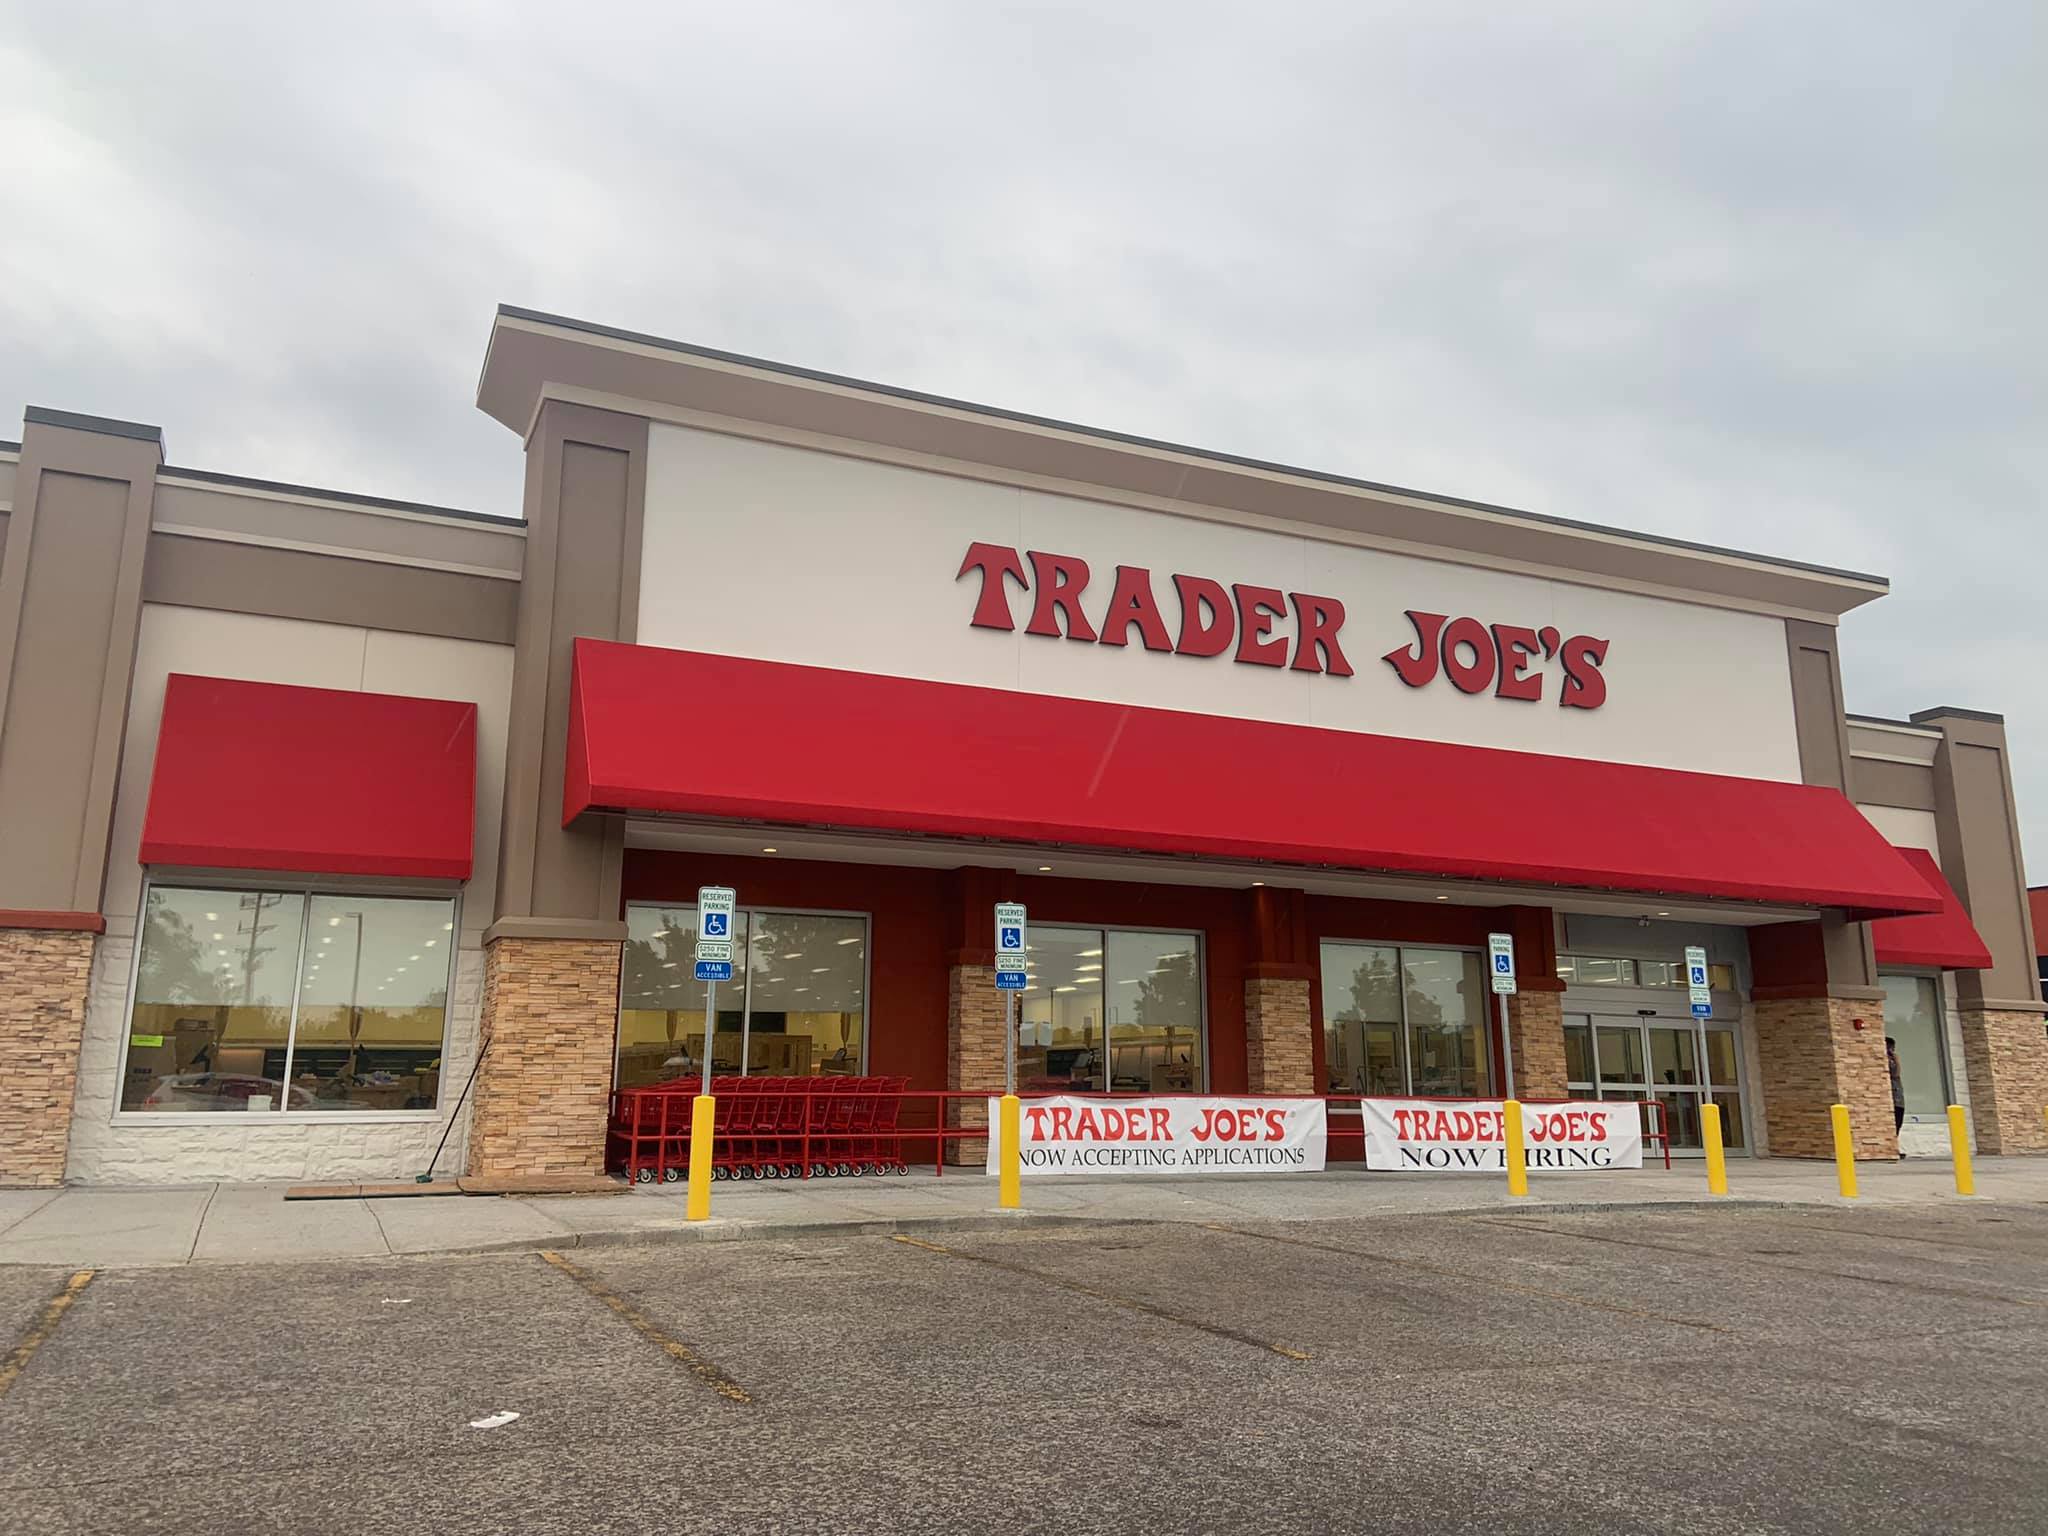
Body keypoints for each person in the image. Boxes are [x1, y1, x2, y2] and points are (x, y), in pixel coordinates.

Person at [1886, 1037, 1906, 1158]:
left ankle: (1893, 1147)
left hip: (1898, 1097)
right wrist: (1896, 1061)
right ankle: (1891, 1149)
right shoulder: (1887, 1061)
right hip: (1891, 1097)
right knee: (1893, 1124)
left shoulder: (1892, 1059)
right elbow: (1895, 1073)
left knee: (1897, 1123)